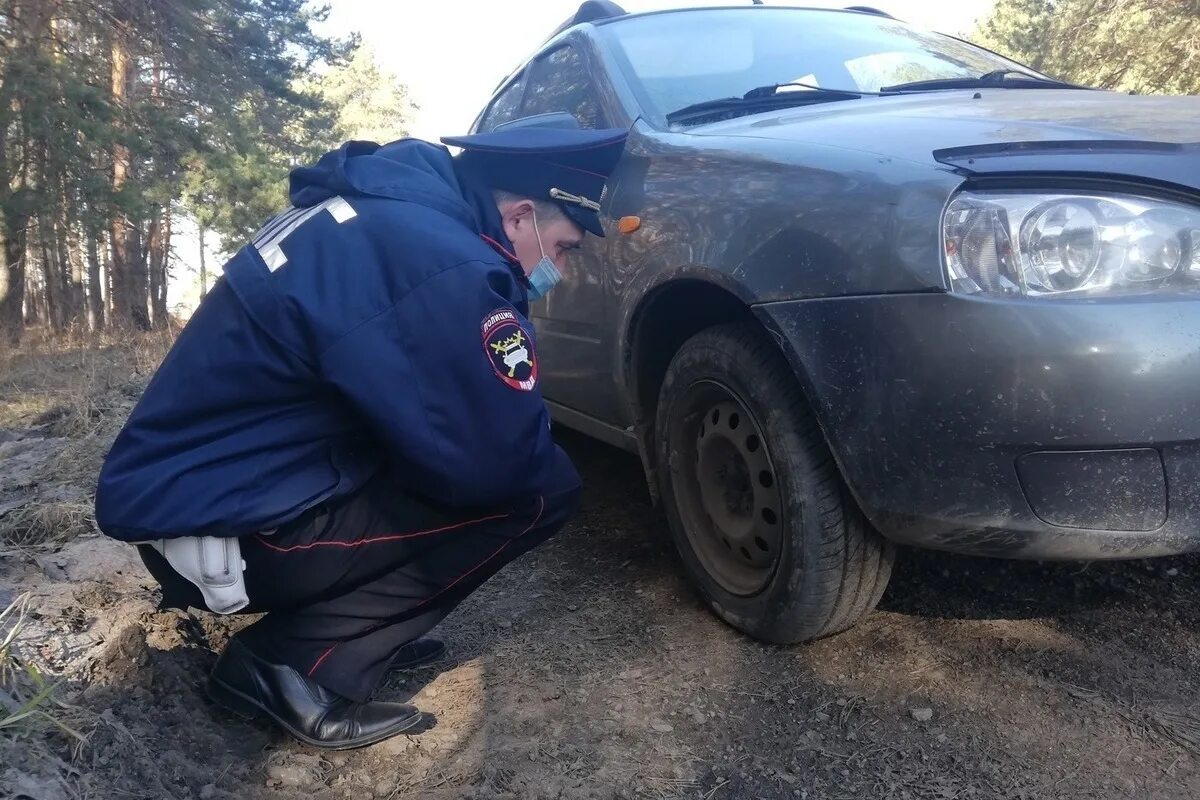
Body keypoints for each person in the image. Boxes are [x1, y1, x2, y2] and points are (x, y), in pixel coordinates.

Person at [92, 117, 628, 750]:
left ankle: (348, 626)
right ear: (519, 217)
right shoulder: (440, 262)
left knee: (445, 456)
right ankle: (294, 662)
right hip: (232, 531)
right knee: (541, 488)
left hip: (205, 503)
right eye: (563, 247)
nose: (558, 270)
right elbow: (498, 461)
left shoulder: (384, 218)